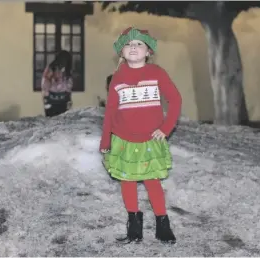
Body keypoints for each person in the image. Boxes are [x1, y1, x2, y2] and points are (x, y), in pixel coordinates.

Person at [100, 27, 182, 244]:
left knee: (152, 180)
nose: (133, 47)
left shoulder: (157, 73)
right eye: (128, 44)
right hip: (123, 139)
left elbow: (175, 100)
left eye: (138, 44)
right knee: (127, 181)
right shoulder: (117, 78)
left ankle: (162, 224)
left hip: (149, 140)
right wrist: (106, 140)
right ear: (121, 52)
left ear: (148, 51)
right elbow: (110, 112)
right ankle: (134, 228)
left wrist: (165, 128)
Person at [41, 50, 73, 117]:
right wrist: (50, 78)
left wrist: (69, 98)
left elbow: (69, 85)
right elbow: (45, 84)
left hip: (64, 99)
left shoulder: (67, 70)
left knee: (64, 120)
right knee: (51, 119)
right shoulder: (51, 68)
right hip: (51, 98)